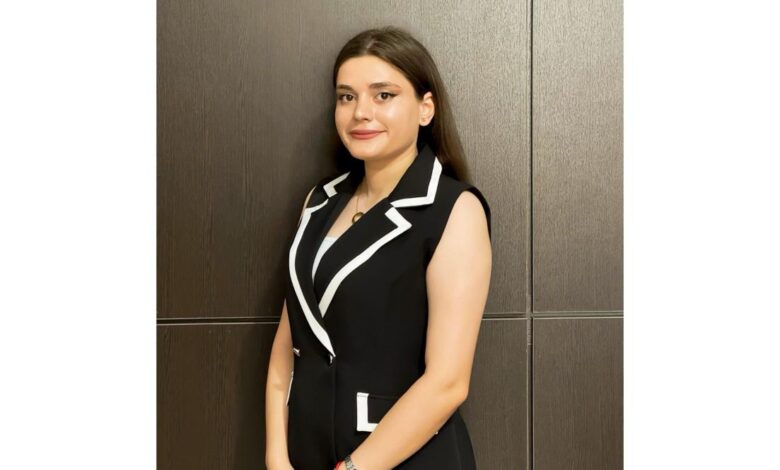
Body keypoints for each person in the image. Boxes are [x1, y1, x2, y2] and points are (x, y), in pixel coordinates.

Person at [265, 25, 492, 470]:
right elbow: (288, 350)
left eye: (383, 95)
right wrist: (277, 457)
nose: (360, 113)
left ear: (426, 108)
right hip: (308, 453)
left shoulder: (454, 209)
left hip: (405, 460)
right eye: (346, 97)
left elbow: (447, 383)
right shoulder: (320, 201)